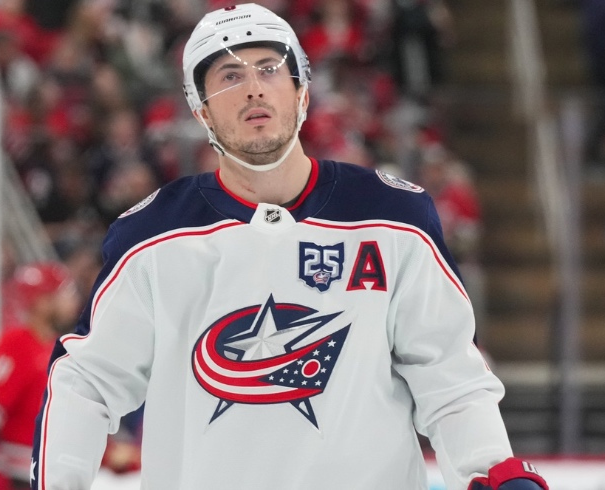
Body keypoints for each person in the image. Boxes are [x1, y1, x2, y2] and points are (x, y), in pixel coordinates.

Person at [31, 4, 548, 490]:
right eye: (229, 77)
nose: (253, 88)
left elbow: (450, 377)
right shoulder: (151, 237)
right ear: (202, 112)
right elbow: (86, 381)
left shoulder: (394, 218)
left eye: (269, 68)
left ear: (302, 92)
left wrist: (491, 469)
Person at [0, 262, 80, 490]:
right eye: (65, 293)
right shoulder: (17, 344)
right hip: (16, 478)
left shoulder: (59, 349)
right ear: (42, 302)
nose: (72, 301)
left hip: (45, 477)